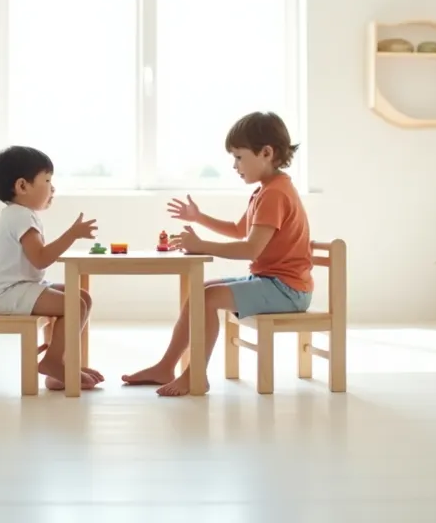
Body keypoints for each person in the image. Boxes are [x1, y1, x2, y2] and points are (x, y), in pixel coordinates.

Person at [121, 112, 313, 396]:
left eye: (238, 157)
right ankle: (166, 366)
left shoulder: (275, 194)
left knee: (208, 298)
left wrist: (202, 246)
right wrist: (199, 217)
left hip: (287, 289)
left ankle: (196, 374)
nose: (235, 165)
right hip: (275, 282)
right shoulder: (267, 190)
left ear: (266, 152)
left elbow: (250, 248)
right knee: (202, 290)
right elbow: (239, 230)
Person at [0, 145, 105, 391]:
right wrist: (72, 234)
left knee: (82, 297)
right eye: (47, 180)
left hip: (18, 287)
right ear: (22, 186)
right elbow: (40, 259)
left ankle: (63, 363)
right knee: (74, 304)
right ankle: (52, 362)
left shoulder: (20, 214)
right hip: (8, 292)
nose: (53, 187)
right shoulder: (20, 216)